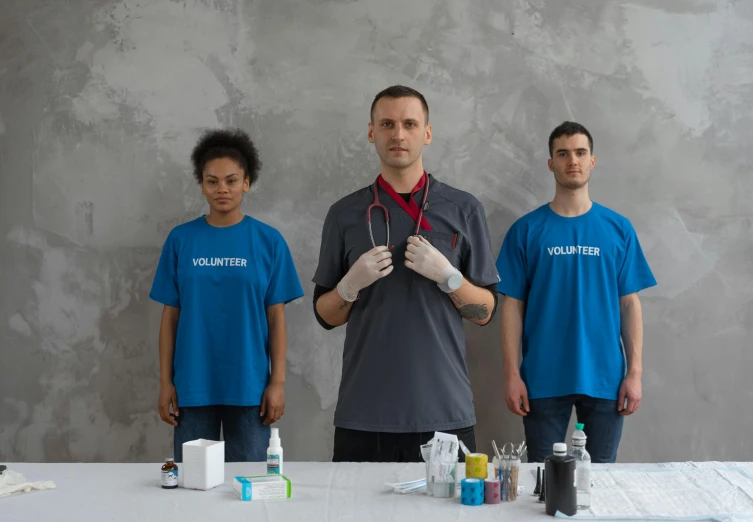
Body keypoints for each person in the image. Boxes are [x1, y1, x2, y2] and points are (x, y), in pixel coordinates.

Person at [312, 85, 500, 462]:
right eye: (387, 124)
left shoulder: (463, 209)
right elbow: (325, 315)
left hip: (443, 411)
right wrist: (349, 285)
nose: (398, 134)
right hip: (365, 415)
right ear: (371, 132)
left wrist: (450, 278)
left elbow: (486, 311)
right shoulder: (344, 214)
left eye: (410, 124)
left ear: (427, 133)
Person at [496, 121, 657, 463]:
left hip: (606, 379)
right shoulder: (526, 231)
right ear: (550, 163)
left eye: (581, 152)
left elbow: (630, 304)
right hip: (542, 377)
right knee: (544, 481)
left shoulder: (618, 228)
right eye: (563, 153)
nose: (573, 160)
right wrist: (512, 375)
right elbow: (512, 306)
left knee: (600, 485)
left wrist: (635, 374)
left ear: (592, 160)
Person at [150, 128, 304, 463]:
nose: (222, 189)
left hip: (250, 388)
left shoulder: (268, 241)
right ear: (202, 184)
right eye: (212, 181)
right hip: (192, 384)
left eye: (232, 180)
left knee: (247, 490)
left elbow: (276, 318)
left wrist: (276, 383)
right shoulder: (181, 240)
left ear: (246, 183)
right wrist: (165, 382)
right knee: (194, 488)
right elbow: (170, 317)